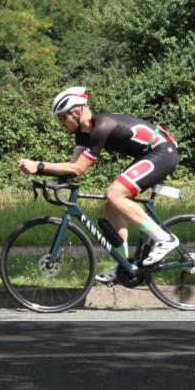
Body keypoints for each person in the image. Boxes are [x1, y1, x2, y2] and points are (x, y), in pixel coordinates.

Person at [18, 87, 180, 285]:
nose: (60, 123)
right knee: (111, 202)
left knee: (115, 194)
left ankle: (164, 238)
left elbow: (78, 169)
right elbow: (70, 168)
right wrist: (53, 181)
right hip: (148, 154)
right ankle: (124, 265)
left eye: (62, 117)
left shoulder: (101, 127)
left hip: (163, 152)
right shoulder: (83, 134)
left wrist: (40, 166)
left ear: (77, 112)